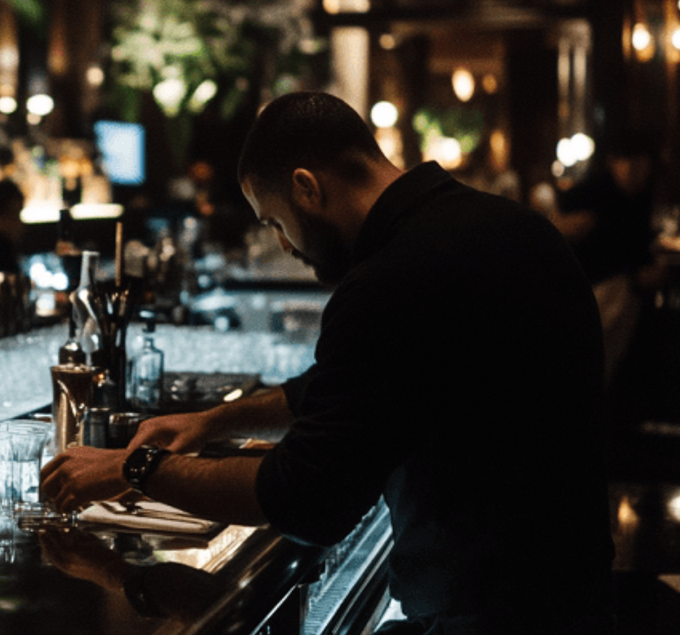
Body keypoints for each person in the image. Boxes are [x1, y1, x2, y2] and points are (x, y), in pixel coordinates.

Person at [41, 91, 614, 635]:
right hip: (572, 596)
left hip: (486, 616)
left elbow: (306, 500)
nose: (286, 245)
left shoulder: (389, 280)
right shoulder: (506, 228)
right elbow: (364, 382)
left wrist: (133, 470)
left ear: (306, 187)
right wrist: (213, 422)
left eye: (273, 221)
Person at [550, 130, 667, 385]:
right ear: (612, 162)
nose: (632, 170)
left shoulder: (639, 198)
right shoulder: (592, 195)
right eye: (626, 162)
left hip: (623, 298)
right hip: (597, 295)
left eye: (640, 164)